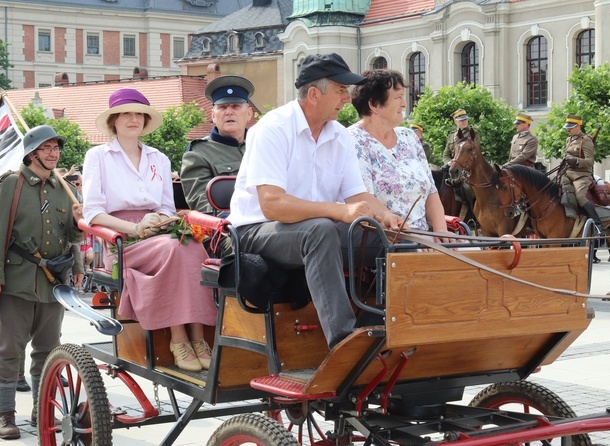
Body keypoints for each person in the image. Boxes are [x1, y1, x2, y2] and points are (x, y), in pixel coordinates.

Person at [227, 53, 405, 350]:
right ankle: (345, 342)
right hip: (257, 231)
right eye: (340, 90)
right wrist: (339, 211)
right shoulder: (272, 129)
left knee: (394, 239)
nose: (347, 99)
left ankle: (403, 326)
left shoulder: (340, 136)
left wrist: (387, 215)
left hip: (310, 229)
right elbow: (272, 205)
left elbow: (357, 195)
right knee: (320, 230)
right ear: (313, 94)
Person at [82, 88, 216, 373]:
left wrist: (159, 221)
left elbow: (168, 206)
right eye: (126, 113)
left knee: (194, 247)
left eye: (139, 114)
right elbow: (93, 212)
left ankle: (198, 337)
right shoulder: (98, 156)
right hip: (120, 239)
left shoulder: (160, 158)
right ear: (114, 120)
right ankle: (179, 338)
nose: (133, 119)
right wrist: (134, 227)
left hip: (159, 231)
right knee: (174, 249)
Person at [0, 125, 84, 439]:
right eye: (47, 148)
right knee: (9, 350)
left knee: (47, 351)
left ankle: (42, 411)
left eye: (56, 148)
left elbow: (72, 238)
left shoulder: (65, 188)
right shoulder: (10, 184)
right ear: (32, 152)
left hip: (54, 283)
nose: (53, 153)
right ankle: (5, 415)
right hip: (16, 280)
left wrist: (80, 228)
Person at [348, 70, 450, 235]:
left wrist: (442, 232)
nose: (404, 104)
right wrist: (410, 239)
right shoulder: (353, 140)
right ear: (373, 104)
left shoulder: (409, 136)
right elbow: (363, 199)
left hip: (424, 237)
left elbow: (431, 191)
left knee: (472, 253)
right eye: (397, 98)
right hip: (385, 239)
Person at [181, 75, 255, 213]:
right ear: (213, 116)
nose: (229, 112)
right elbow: (203, 206)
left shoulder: (262, 146)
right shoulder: (198, 154)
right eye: (222, 107)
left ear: (249, 114)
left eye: (236, 106)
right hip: (232, 228)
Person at [560, 114, 604, 235]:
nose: (568, 130)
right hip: (567, 173)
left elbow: (590, 161)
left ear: (578, 126)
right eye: (567, 127)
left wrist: (577, 161)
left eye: (571, 127)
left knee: (580, 196)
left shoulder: (586, 140)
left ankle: (598, 224)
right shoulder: (569, 139)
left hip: (582, 175)